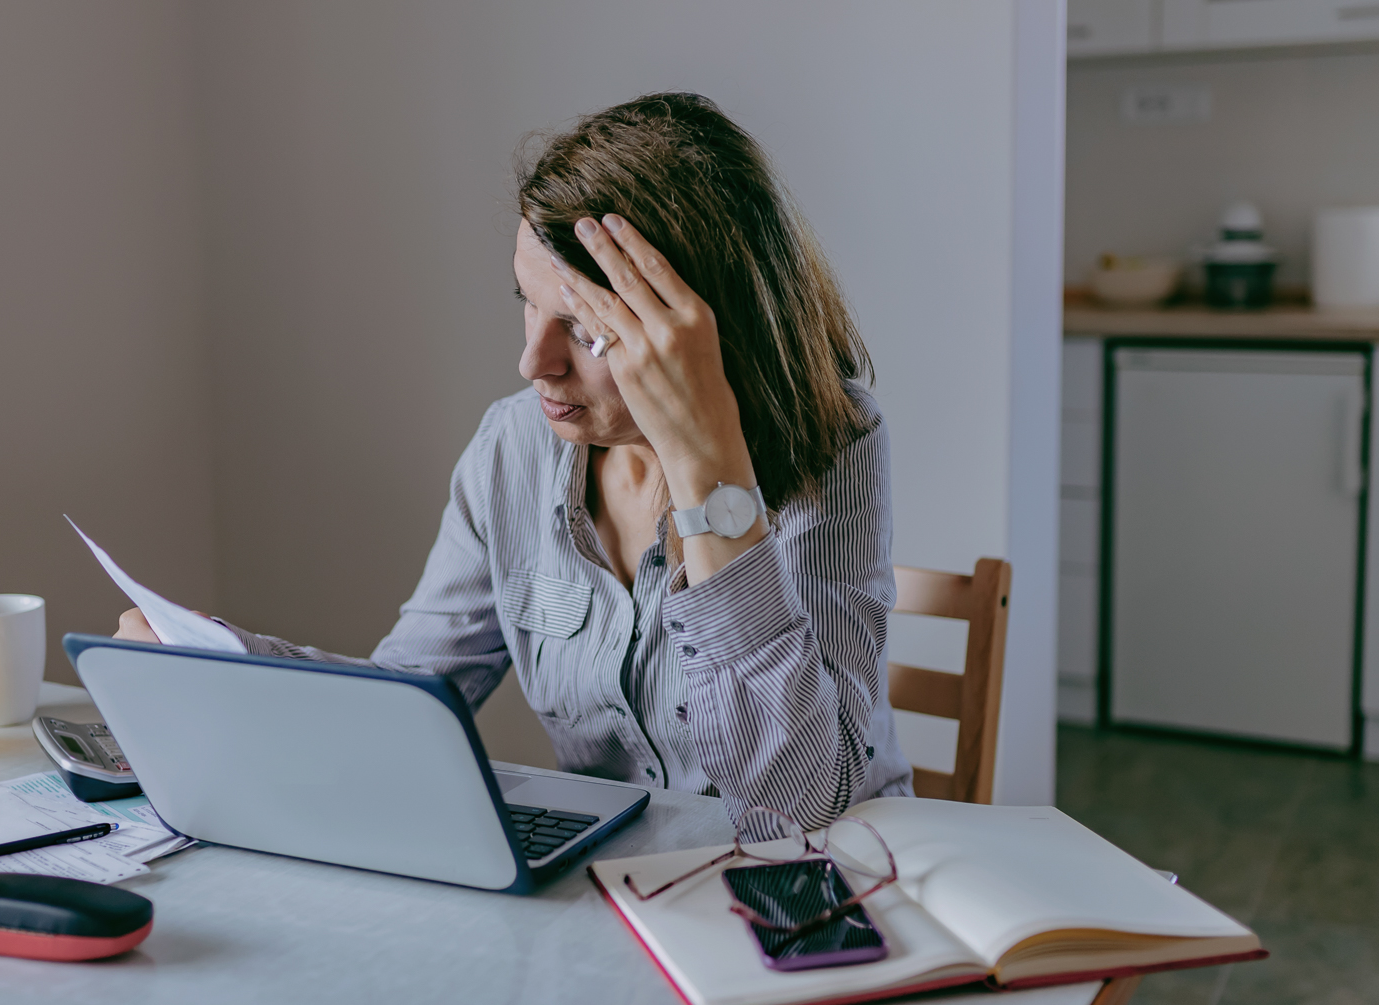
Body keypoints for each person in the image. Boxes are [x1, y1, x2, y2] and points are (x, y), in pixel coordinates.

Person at [118, 92, 909, 831]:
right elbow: (412, 701)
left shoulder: (832, 444)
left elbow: (799, 801)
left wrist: (707, 465)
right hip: (623, 888)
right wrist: (218, 656)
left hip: (820, 881)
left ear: (698, 336)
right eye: (528, 304)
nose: (533, 362)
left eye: (585, 330)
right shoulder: (513, 448)